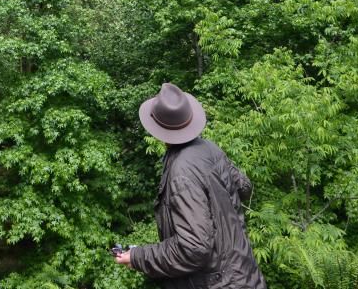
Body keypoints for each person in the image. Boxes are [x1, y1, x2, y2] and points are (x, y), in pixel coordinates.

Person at [114, 82, 266, 289]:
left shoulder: (181, 172)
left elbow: (194, 248)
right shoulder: (210, 149)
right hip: (245, 274)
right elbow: (244, 187)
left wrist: (138, 256)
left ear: (157, 130)